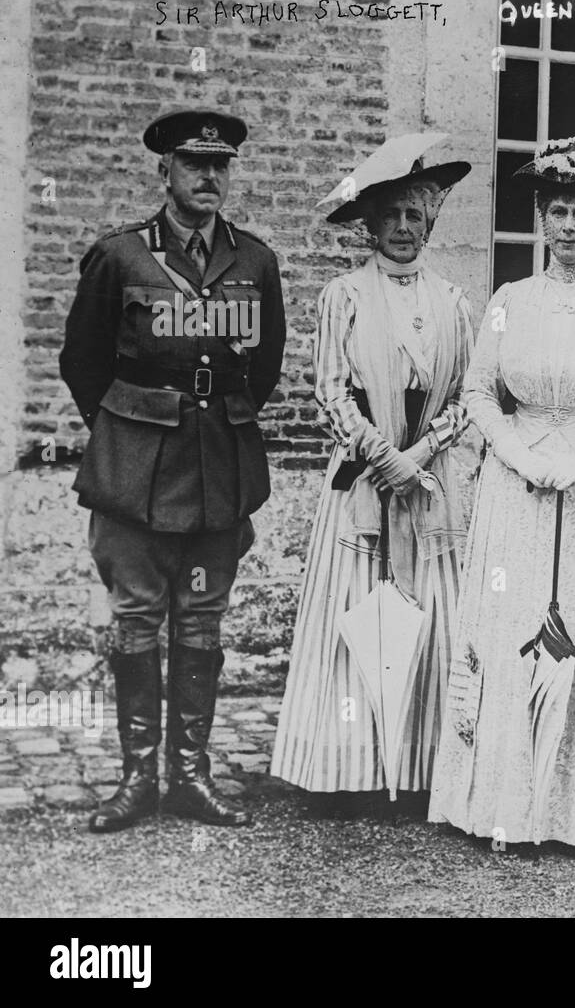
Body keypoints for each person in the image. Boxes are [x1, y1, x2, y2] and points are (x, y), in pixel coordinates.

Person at [428, 136, 575, 849]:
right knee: (512, 625)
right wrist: (519, 453)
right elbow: (477, 389)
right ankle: (501, 802)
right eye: (556, 210)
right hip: (515, 483)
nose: (567, 226)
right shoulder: (509, 300)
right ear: (540, 218)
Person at [60, 109, 286, 832]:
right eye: (195, 164)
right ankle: (137, 778)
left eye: (221, 166)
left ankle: (189, 774)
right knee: (135, 617)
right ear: (165, 172)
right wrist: (127, 430)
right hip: (135, 471)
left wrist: (213, 416)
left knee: (202, 616)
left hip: (219, 468)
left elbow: (267, 364)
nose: (210, 176)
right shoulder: (121, 256)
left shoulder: (254, 262)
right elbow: (82, 362)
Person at [269, 136, 475, 810]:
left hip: (429, 485)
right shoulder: (344, 295)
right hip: (363, 480)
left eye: (416, 215)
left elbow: (471, 397)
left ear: (429, 222)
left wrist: (419, 456)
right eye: (391, 215)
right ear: (370, 222)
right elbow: (329, 392)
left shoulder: (452, 300)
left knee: (432, 615)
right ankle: (348, 770)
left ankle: (421, 768)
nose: (405, 228)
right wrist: (384, 456)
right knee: (355, 613)